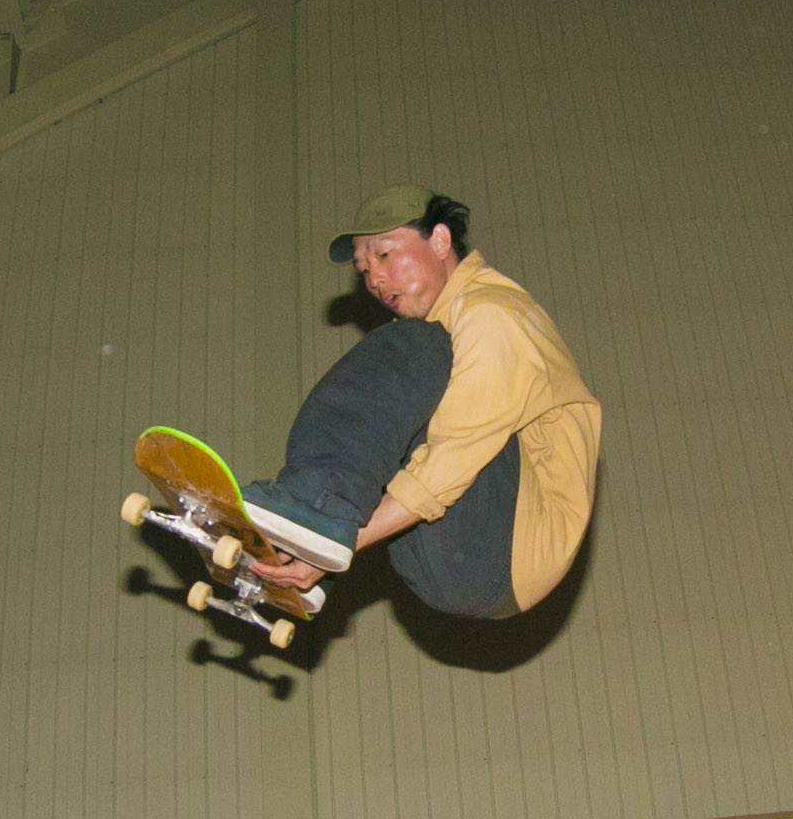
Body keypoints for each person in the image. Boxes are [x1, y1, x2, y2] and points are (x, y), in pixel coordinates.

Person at [236, 187, 601, 621]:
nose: (373, 278)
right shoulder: (448, 333)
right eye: (364, 268)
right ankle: (299, 539)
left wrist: (339, 541)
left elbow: (455, 457)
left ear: (441, 242)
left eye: (384, 255)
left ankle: (317, 512)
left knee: (417, 346)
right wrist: (311, 556)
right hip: (447, 569)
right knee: (392, 399)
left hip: (505, 548)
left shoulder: (493, 314)